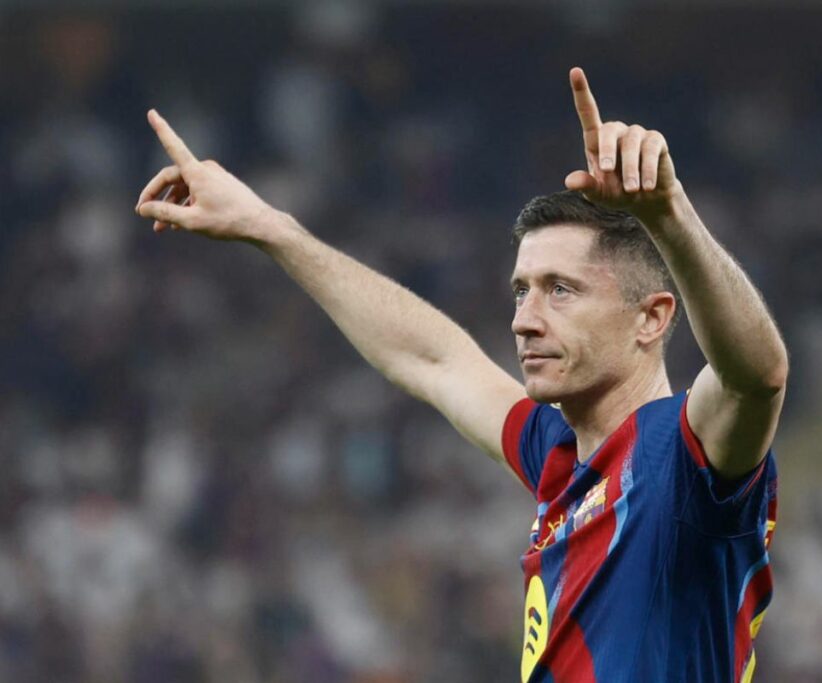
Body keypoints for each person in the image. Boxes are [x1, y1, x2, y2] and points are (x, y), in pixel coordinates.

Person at [136, 67, 787, 683]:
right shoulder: (558, 456)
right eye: (521, 291)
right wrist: (270, 227)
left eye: (560, 290)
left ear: (651, 318)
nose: (524, 320)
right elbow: (432, 358)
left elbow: (755, 378)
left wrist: (669, 216)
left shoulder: (684, 457)